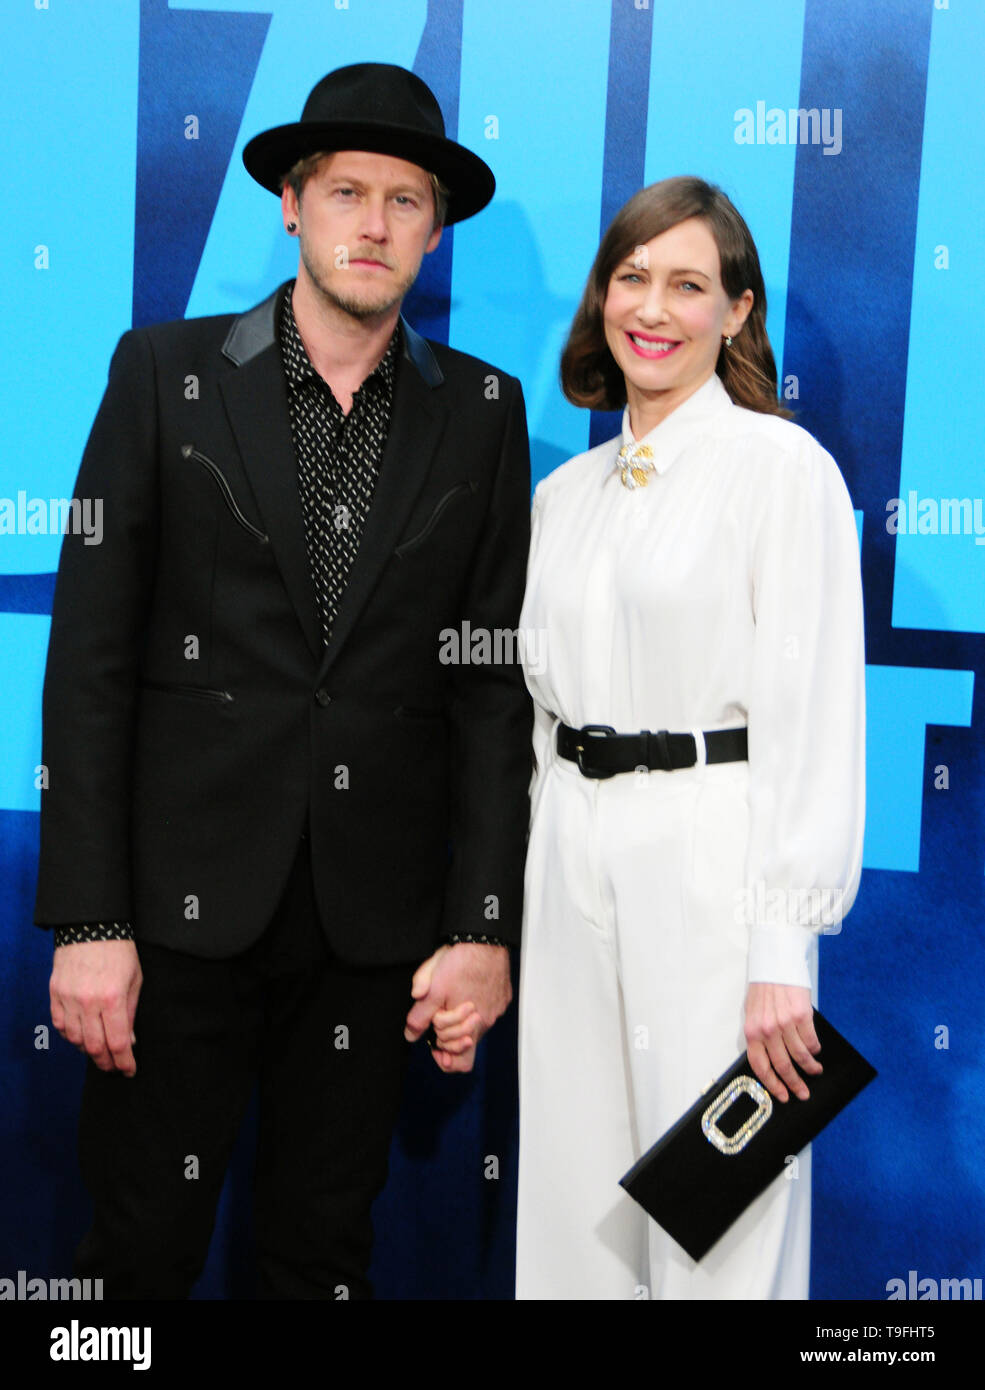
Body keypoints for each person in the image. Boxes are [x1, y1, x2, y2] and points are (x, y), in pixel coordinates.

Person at [34, 62, 532, 1300]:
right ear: (291, 205)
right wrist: (91, 920)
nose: (374, 223)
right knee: (137, 1257)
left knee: (320, 1258)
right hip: (175, 916)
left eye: (404, 200)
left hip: (371, 931)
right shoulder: (164, 373)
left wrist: (479, 927)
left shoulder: (481, 412)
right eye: (347, 192)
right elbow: (89, 660)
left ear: (434, 226)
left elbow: (488, 695)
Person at [514, 176, 865, 1299]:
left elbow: (810, 722)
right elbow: (539, 717)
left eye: (687, 284)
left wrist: (781, 951)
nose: (652, 309)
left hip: (711, 868)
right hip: (569, 857)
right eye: (630, 279)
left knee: (718, 1222)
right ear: (600, 299)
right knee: (578, 1213)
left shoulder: (781, 471)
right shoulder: (564, 495)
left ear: (738, 312)